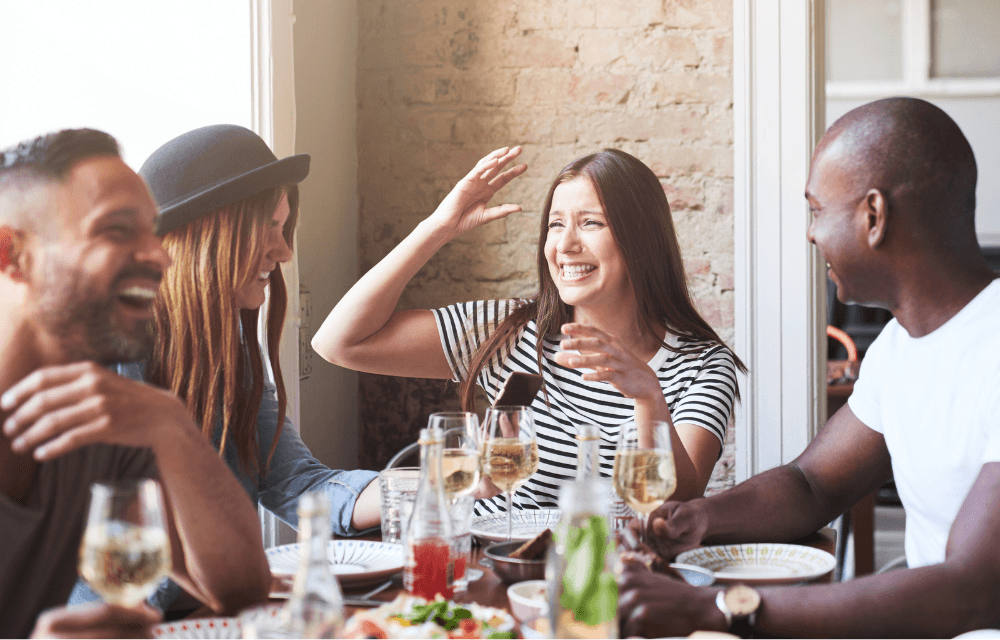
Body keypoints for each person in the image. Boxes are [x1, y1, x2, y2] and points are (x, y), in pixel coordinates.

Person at [617, 97, 1000, 638]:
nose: (810, 233)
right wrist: (699, 519)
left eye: (817, 210)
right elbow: (812, 484)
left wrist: (717, 608)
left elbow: (972, 591)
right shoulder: (899, 346)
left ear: (874, 215)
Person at [313, 147, 741, 515]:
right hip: (499, 568)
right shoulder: (509, 331)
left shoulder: (701, 365)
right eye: (556, 224)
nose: (565, 245)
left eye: (590, 223)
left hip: (612, 577)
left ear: (642, 239)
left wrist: (648, 396)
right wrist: (437, 229)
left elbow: (677, 503)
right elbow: (339, 343)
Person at [0, 129, 270, 639]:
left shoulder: (105, 416)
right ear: (12, 253)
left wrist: (173, 426)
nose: (159, 256)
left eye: (153, 231)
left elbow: (239, 589)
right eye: (117, 230)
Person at [138, 125, 380, 534]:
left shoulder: (229, 348)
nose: (284, 251)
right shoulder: (105, 356)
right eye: (269, 228)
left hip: (223, 598)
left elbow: (299, 484)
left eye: (284, 229)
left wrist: (437, 480)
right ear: (204, 237)